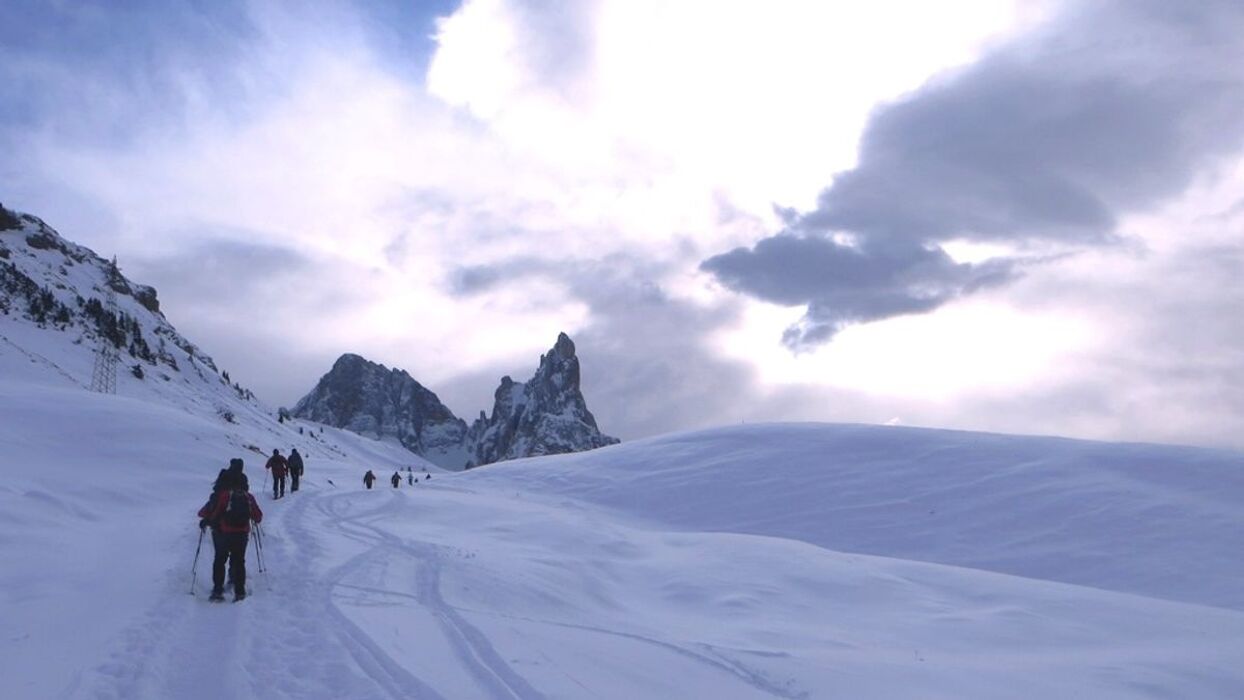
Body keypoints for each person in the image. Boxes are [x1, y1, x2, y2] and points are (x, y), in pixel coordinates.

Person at [198, 458, 263, 602]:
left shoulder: (224, 494)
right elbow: (258, 517)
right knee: (239, 561)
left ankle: (217, 591)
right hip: (242, 533)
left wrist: (208, 521)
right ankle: (239, 592)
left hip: (223, 532)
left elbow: (215, 513)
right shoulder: (248, 497)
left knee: (219, 560)